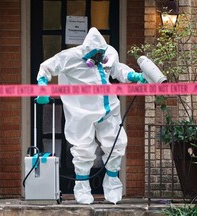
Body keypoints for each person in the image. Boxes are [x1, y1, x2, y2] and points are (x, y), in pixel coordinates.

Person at [36, 27, 146, 204]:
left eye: (99, 56)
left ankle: (112, 184)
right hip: (81, 111)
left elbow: (117, 69)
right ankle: (82, 188)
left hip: (108, 108)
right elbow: (46, 67)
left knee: (116, 144)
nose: (97, 60)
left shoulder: (109, 53)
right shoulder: (69, 56)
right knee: (83, 149)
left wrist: (133, 76)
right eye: (94, 57)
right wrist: (42, 86)